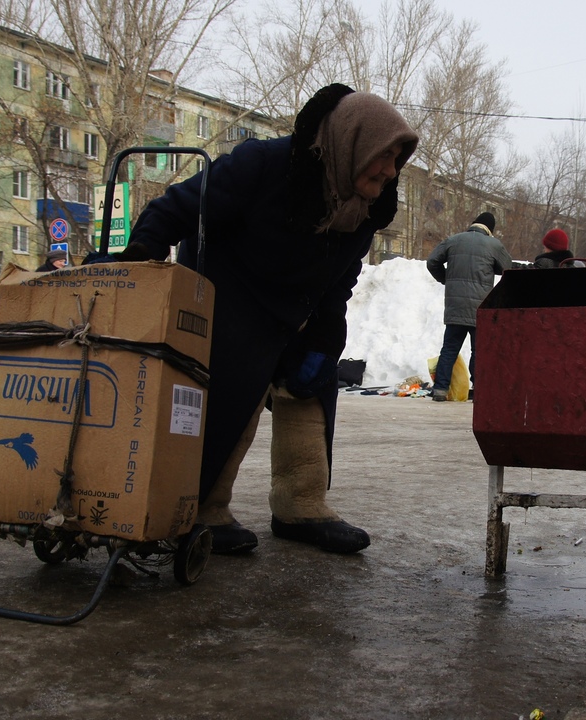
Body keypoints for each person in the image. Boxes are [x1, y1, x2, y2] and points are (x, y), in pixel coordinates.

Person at [121, 83, 418, 555]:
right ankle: (201, 506)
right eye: (384, 156)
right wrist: (139, 262)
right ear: (352, 140)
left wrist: (324, 340)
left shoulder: (365, 208)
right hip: (229, 291)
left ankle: (301, 504)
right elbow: (177, 208)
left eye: (396, 160)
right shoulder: (264, 164)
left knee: (314, 385)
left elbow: (339, 282)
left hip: (296, 306)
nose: (389, 170)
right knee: (238, 383)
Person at [426, 211, 513, 402]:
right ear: (490, 229)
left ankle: (440, 389)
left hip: (455, 306)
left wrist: (446, 279)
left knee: (449, 348)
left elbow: (432, 261)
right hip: (480, 308)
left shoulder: (453, 240)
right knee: (479, 350)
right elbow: (508, 269)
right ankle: (479, 390)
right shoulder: (494, 245)